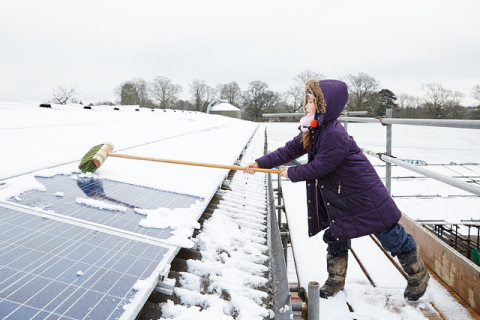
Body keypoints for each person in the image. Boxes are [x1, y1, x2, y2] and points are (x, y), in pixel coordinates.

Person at [244, 79, 429, 301]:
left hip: (363, 193)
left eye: (311, 101)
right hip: (341, 193)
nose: (306, 106)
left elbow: (322, 165)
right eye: (307, 101)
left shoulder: (333, 133)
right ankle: (336, 279)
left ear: (324, 105)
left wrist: (292, 173)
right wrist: (260, 162)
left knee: (389, 234)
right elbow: (290, 149)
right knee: (336, 233)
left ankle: (418, 275)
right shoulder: (314, 128)